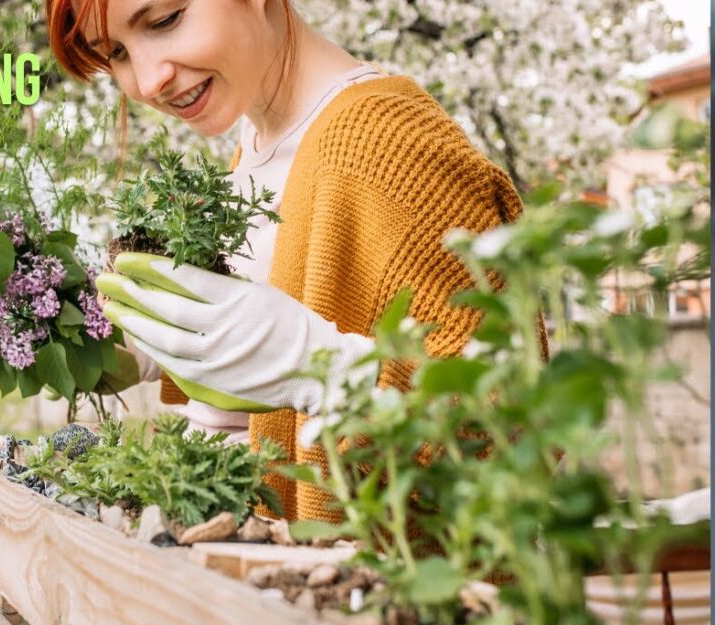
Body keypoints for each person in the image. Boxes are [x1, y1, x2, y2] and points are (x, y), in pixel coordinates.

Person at [46, 0, 528, 523]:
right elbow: (261, 395)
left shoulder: (387, 142)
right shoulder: (255, 145)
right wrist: (152, 347)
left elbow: (503, 429)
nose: (147, 80)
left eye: (165, 20)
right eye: (116, 52)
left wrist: (325, 370)